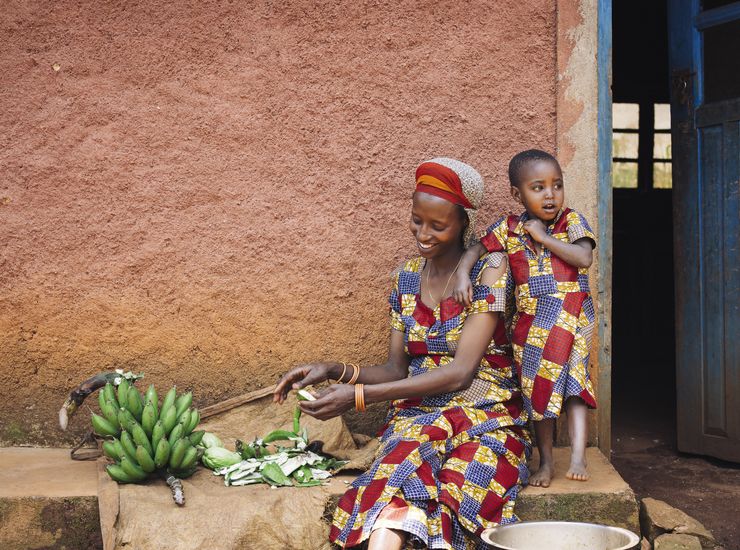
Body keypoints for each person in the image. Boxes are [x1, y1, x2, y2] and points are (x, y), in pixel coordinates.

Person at [273, 158, 530, 550]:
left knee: (460, 488)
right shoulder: (407, 276)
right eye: (416, 221)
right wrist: (333, 370)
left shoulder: (490, 270)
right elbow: (396, 368)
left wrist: (357, 398)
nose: (422, 234)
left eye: (437, 225)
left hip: (487, 417)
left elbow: (461, 373)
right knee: (401, 483)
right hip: (417, 417)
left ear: (465, 222)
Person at [451, 149, 597, 488]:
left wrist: (544, 237)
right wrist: (462, 274)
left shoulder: (570, 221)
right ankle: (545, 461)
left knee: (575, 387)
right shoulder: (509, 228)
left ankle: (578, 455)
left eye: (556, 186)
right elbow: (477, 248)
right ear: (517, 194)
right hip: (532, 326)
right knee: (537, 393)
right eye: (538, 187)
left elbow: (584, 257)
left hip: (573, 319)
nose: (550, 195)